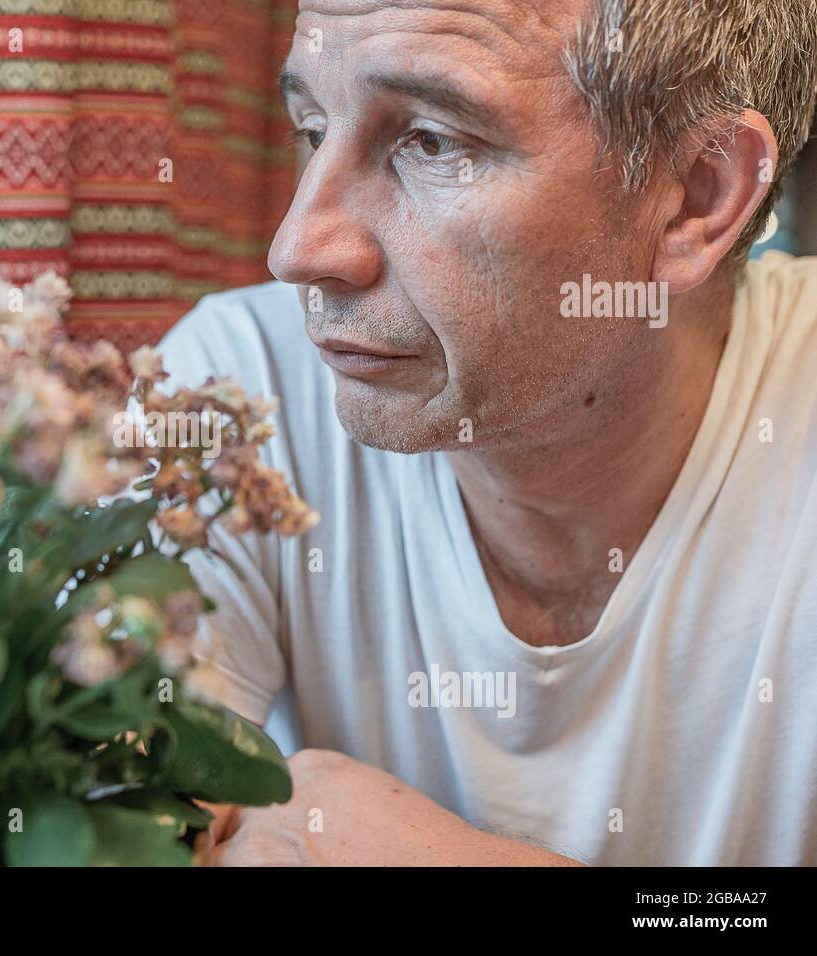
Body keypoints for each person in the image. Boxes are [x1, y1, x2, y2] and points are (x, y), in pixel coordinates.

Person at [161, 0, 817, 865]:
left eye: (431, 141)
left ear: (697, 194)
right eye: (313, 127)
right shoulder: (234, 389)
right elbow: (102, 822)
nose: (297, 249)